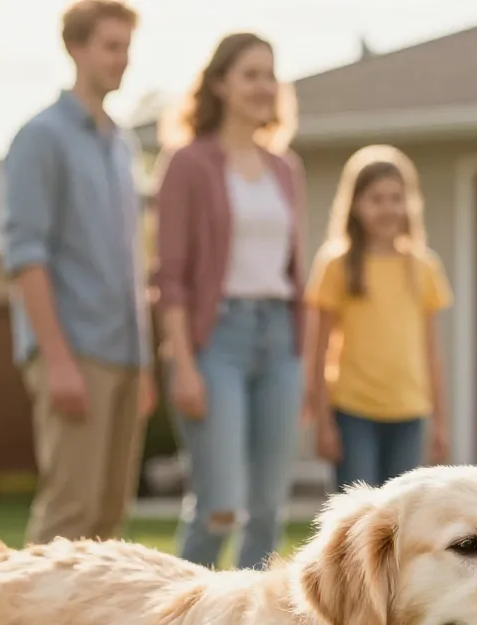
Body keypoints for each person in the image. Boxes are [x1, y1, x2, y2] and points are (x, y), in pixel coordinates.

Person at [2, 0, 154, 546]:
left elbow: (132, 262)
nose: (122, 60)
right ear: (76, 48)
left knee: (108, 519)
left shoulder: (122, 145)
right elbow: (26, 257)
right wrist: (58, 360)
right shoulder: (41, 138)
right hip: (75, 351)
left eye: (127, 49)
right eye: (111, 47)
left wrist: (146, 367)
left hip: (125, 356)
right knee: (70, 512)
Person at [154, 33, 306, 571]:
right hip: (216, 340)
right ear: (220, 84)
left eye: (270, 74)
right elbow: (168, 276)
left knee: (266, 510)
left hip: (279, 340)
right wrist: (184, 364)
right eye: (250, 75)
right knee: (219, 506)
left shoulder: (286, 169)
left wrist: (300, 353)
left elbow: (293, 268)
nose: (264, 86)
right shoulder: (188, 163)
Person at [304, 146, 452, 492]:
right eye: (376, 199)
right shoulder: (336, 265)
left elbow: (433, 354)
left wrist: (440, 424)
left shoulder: (423, 267)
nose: (388, 208)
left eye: (396, 198)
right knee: (356, 519)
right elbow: (319, 350)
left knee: (398, 520)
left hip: (409, 413)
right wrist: (323, 423)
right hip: (353, 412)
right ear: (355, 204)